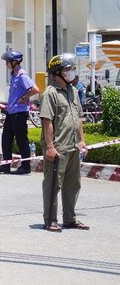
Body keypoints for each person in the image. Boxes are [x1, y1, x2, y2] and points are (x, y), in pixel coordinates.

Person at [39, 53, 89, 232]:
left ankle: (70, 219)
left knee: (73, 184)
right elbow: (47, 121)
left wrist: (82, 141)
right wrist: (50, 147)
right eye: (68, 69)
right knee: (53, 185)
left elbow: (79, 118)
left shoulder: (73, 91)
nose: (71, 72)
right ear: (57, 72)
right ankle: (50, 220)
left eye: (71, 69)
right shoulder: (50, 94)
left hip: (73, 146)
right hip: (58, 148)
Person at [0, 51, 39, 175]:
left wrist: (25, 97)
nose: (6, 64)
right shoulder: (14, 75)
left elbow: (35, 89)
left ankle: (25, 166)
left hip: (20, 112)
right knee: (6, 138)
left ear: (14, 62)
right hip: (11, 112)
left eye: (8, 62)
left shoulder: (22, 75)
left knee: (21, 140)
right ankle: (6, 165)